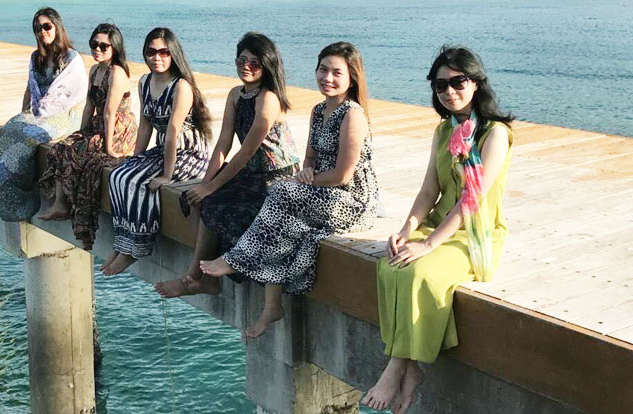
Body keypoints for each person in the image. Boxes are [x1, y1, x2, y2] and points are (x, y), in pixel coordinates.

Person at [361, 45, 514, 414]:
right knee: (390, 264)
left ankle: (397, 366)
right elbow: (429, 190)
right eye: (440, 85)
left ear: (476, 83)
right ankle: (410, 367)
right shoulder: (444, 131)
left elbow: (472, 199)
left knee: (420, 273)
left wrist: (428, 245)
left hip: (476, 233)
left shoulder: (495, 133)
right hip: (437, 223)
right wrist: (407, 229)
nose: (449, 91)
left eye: (457, 82)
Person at [201, 42, 379, 338]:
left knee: (281, 193)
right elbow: (309, 157)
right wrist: (306, 171)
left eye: (337, 73)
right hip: (322, 191)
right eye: (323, 70)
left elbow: (343, 175)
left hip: (352, 200)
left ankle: (235, 259)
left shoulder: (352, 114)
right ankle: (272, 306)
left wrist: (304, 181)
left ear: (352, 78)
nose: (327, 78)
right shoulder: (319, 110)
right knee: (286, 224)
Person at [154, 32, 299, 298]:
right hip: (249, 172)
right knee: (194, 198)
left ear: (267, 66)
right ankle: (205, 277)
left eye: (254, 63)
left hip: (275, 177)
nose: (246, 66)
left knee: (215, 204)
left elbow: (246, 152)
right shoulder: (236, 95)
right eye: (241, 60)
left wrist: (210, 189)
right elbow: (223, 144)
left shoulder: (268, 99)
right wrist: (205, 183)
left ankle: (193, 277)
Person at [101, 27, 211, 276]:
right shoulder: (145, 82)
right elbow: (145, 125)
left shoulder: (181, 87)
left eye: (164, 52)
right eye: (151, 52)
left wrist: (166, 176)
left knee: (138, 181)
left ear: (173, 54)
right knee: (118, 175)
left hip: (188, 153)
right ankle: (122, 244)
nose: (157, 57)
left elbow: (173, 132)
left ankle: (136, 248)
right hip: (163, 149)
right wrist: (135, 157)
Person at [36, 23, 138, 250]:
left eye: (103, 46)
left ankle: (66, 206)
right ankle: (60, 203)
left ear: (115, 48)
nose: (97, 49)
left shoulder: (117, 73)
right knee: (61, 148)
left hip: (118, 128)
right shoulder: (94, 70)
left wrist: (109, 148)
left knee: (79, 156)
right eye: (94, 44)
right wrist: (81, 132)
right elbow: (89, 105)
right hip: (99, 123)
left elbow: (110, 112)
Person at [0, 7, 88, 222]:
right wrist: (22, 116)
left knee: (22, 138)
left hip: (64, 116)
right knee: (5, 133)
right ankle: (3, 192)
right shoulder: (36, 57)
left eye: (46, 26)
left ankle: (16, 199)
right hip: (38, 113)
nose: (42, 31)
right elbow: (30, 89)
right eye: (38, 28)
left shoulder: (71, 58)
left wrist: (31, 119)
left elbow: (66, 96)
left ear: (57, 27)